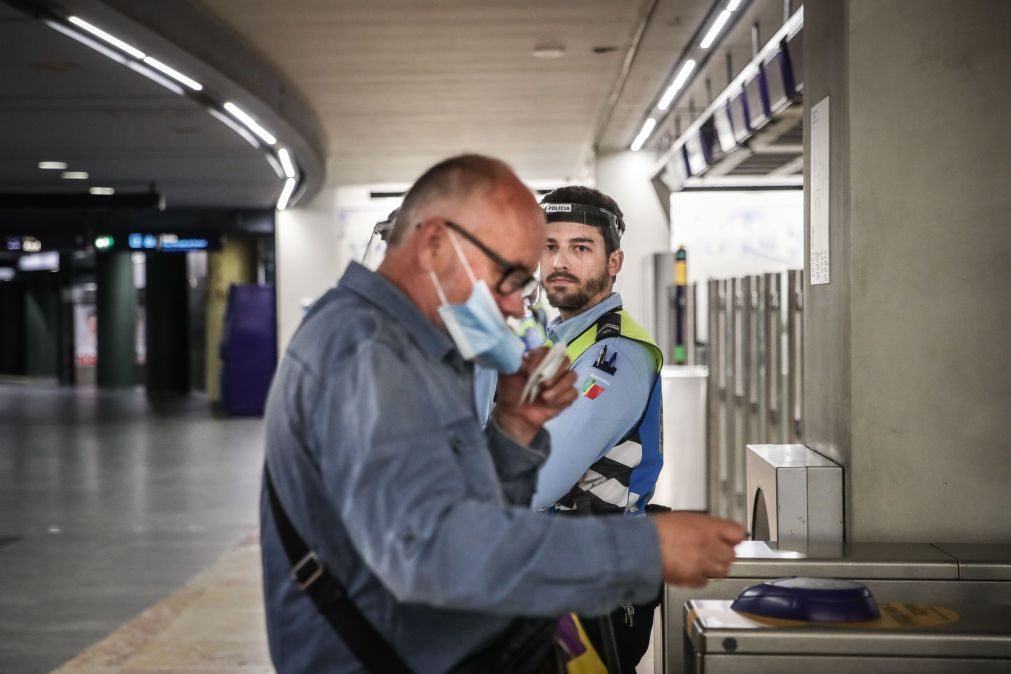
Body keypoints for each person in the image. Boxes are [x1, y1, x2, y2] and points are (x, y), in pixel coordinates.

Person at [260, 154, 744, 673]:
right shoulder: (370, 356)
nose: (517, 307)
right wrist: (641, 550)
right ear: (435, 246)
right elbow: (433, 553)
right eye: (509, 277)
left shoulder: (407, 346)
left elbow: (459, 503)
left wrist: (513, 431)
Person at [530, 186, 665, 672]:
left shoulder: (615, 356)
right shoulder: (562, 340)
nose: (560, 261)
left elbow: (536, 481)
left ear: (614, 262)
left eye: (580, 247)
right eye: (549, 247)